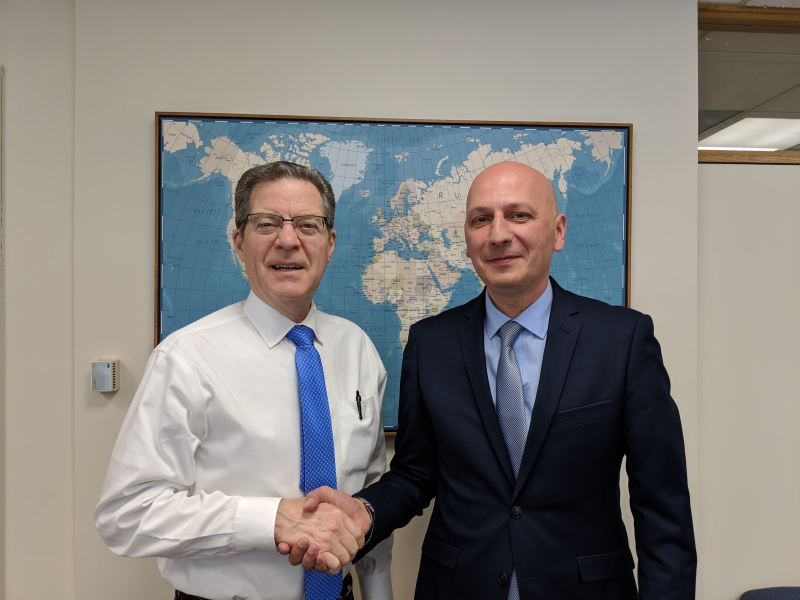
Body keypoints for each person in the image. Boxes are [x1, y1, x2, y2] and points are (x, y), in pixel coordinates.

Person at [295, 161, 696, 599]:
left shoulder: (622, 340)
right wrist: (365, 510)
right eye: (481, 219)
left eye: (519, 215)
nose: (499, 234)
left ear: (558, 231)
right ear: (468, 241)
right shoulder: (430, 343)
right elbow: (416, 473)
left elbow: (662, 505)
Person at [95, 161, 393, 600]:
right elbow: (126, 515)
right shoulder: (186, 358)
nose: (287, 241)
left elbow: (368, 498)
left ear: (329, 244)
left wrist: (378, 592)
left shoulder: (358, 348)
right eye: (266, 224)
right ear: (239, 241)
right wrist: (272, 520)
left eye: (307, 225)